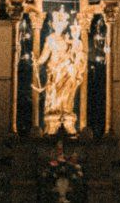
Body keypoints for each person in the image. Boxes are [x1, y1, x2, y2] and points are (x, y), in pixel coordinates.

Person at [34, 7, 87, 136]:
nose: (60, 27)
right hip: (54, 71)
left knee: (67, 91)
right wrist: (37, 62)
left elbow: (76, 52)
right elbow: (45, 55)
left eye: (62, 24)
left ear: (64, 26)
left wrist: (75, 45)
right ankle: (55, 112)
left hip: (66, 71)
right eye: (57, 24)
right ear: (53, 25)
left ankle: (66, 110)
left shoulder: (67, 39)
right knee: (55, 96)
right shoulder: (50, 39)